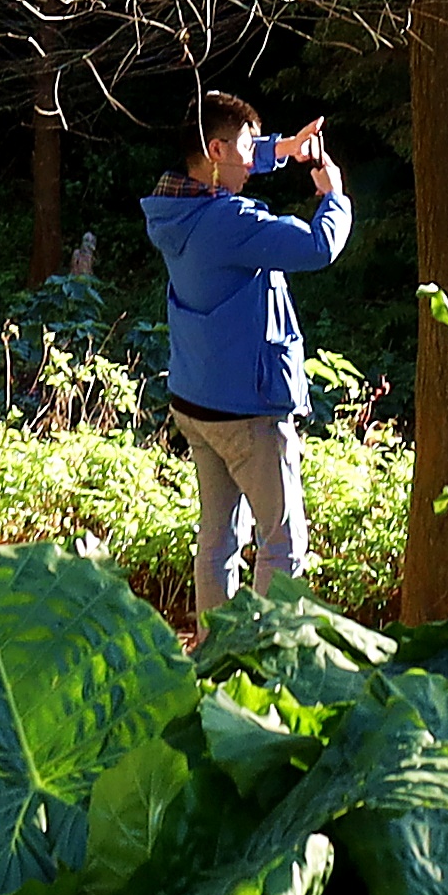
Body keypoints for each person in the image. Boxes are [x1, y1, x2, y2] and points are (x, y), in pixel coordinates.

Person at [141, 90, 350, 614]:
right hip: (248, 411)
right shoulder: (230, 223)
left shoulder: (173, 208)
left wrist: (285, 149)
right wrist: (336, 196)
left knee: (217, 542)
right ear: (215, 149)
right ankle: (264, 667)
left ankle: (216, 660)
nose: (253, 160)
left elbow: (229, 161)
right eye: (247, 148)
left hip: (196, 401)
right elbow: (317, 247)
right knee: (283, 546)